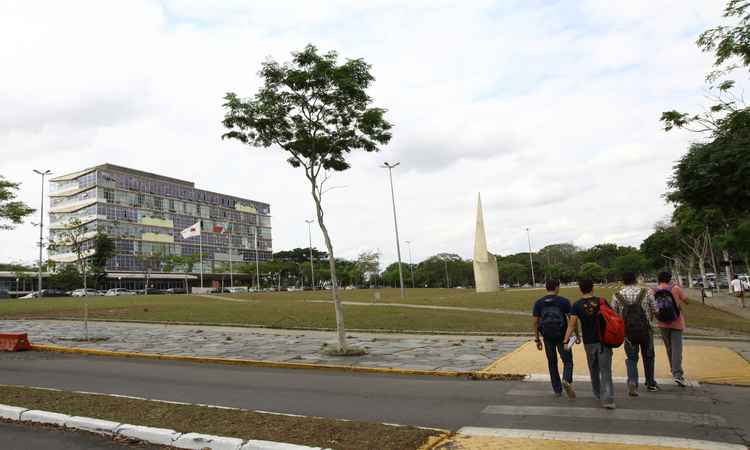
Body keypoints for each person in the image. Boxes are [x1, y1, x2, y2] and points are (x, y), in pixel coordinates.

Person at [565, 278, 616, 409]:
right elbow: (612, 317)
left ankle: (598, 394)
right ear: (593, 288)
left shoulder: (576, 305)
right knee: (606, 371)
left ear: (580, 289)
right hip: (604, 341)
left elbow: (572, 324)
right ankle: (608, 399)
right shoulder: (602, 301)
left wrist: (566, 340)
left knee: (594, 369)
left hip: (589, 342)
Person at [612, 272, 658, 396]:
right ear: (636, 280)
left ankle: (632, 381)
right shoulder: (646, 292)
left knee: (632, 358)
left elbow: (614, 315)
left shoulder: (617, 295)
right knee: (648, 357)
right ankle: (650, 383)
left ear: (623, 281)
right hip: (646, 330)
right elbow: (656, 309)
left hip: (628, 333)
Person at [532, 279, 577, 398]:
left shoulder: (539, 303)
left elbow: (535, 322)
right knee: (567, 361)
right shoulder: (564, 302)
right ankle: (566, 379)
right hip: (563, 336)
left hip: (547, 337)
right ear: (557, 287)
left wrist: (537, 339)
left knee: (552, 362)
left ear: (546, 287)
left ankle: (557, 389)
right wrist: (576, 335)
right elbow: (572, 321)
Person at [654, 271, 689, 387]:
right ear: (669, 279)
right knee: (677, 349)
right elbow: (686, 301)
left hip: (662, 323)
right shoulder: (676, 288)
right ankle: (677, 374)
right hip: (676, 322)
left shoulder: (654, 290)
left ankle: (673, 369)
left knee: (669, 348)